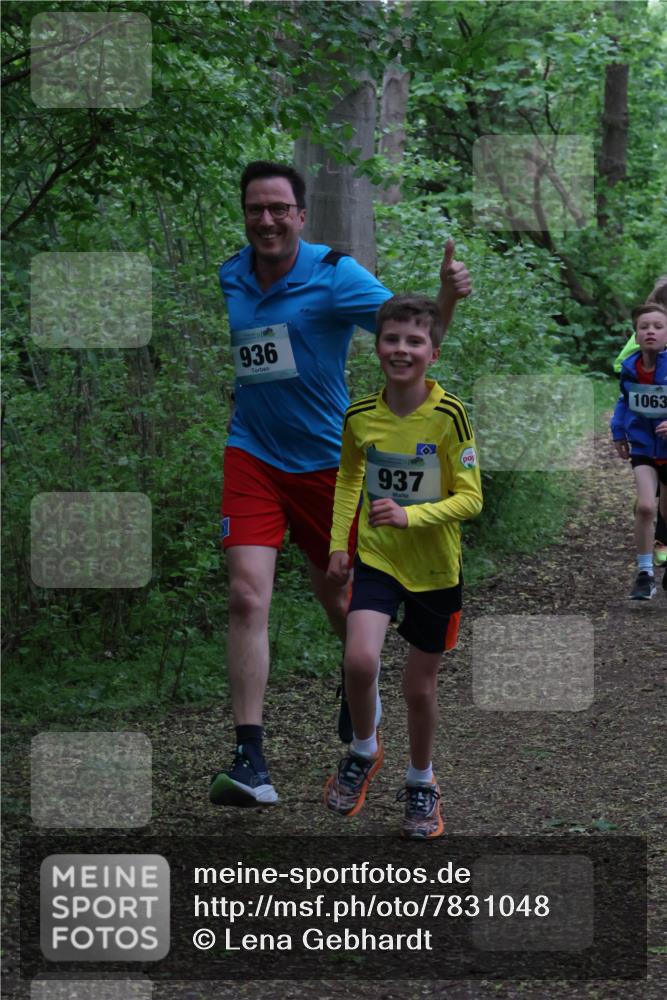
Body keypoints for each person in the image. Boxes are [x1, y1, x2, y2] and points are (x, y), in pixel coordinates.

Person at [210, 162, 471, 807]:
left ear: (301, 215)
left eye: (279, 209)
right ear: (244, 216)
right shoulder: (231, 276)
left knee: (342, 599)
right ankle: (251, 759)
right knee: (246, 596)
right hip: (251, 455)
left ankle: (363, 698)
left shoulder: (333, 275)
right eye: (254, 210)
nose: (266, 220)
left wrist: (448, 298)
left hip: (329, 461)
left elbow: (411, 334)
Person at [323, 294, 482, 839]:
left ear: (432, 353)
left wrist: (413, 516)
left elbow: (471, 498)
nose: (401, 349)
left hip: (436, 569)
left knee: (419, 688)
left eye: (414, 341)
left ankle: (422, 782)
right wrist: (338, 544)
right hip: (378, 558)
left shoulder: (450, 417)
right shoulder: (360, 416)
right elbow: (348, 479)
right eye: (391, 339)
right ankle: (365, 747)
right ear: (377, 347)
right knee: (360, 659)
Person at [610, 302, 667, 599]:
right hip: (644, 445)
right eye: (644, 327)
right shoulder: (630, 369)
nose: (650, 332)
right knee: (646, 506)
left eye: (658, 327)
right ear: (635, 333)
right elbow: (624, 401)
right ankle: (644, 574)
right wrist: (618, 432)